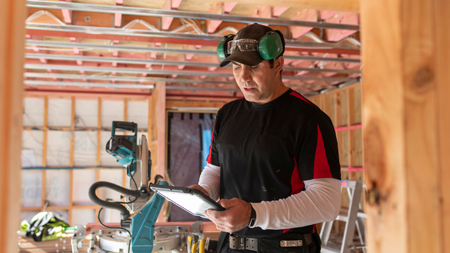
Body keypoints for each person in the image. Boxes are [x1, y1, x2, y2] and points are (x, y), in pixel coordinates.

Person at [189, 23, 341, 253]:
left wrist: (253, 215)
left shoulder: (308, 119)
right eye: (237, 67)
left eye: (253, 66)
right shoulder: (227, 114)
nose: (244, 77)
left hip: (284, 248)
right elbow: (215, 170)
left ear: (277, 63)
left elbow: (326, 202)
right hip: (229, 246)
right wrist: (205, 192)